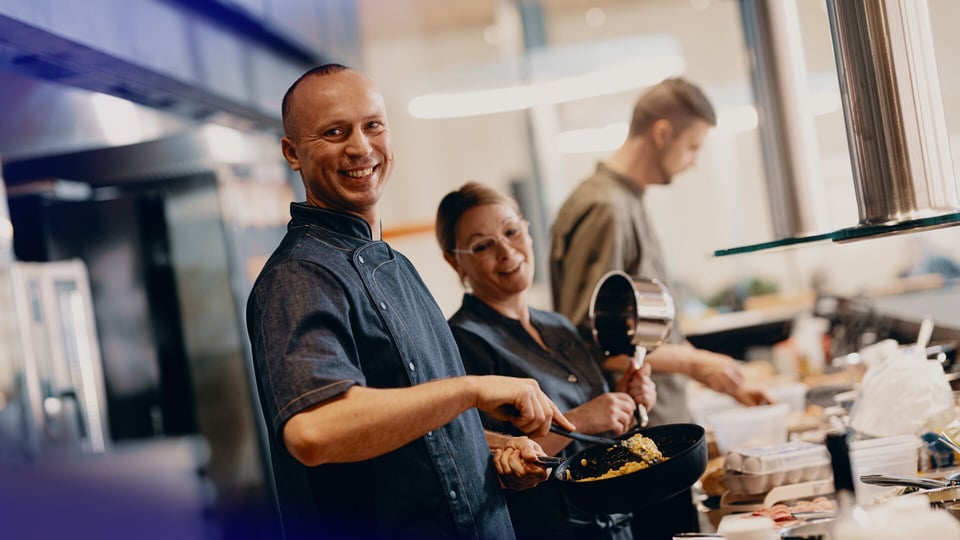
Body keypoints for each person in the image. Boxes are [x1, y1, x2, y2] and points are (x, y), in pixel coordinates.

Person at [246, 64, 575, 540]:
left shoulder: (394, 264)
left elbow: (406, 432)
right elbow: (314, 431)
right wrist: (472, 391)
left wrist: (492, 449)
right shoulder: (299, 275)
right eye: (335, 132)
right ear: (291, 153)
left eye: (372, 125)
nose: (360, 147)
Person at [549, 77, 771, 539]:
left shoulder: (626, 200)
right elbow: (591, 343)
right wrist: (695, 362)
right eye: (693, 146)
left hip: (654, 440)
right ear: (663, 133)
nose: (693, 163)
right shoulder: (606, 207)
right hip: (635, 452)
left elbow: (635, 330)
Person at [436, 182, 658, 540]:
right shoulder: (461, 341)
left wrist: (625, 401)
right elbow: (483, 464)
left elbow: (600, 431)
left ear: (527, 229)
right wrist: (582, 419)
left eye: (511, 231)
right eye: (482, 246)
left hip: (616, 523)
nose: (507, 252)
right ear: (454, 260)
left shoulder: (558, 325)